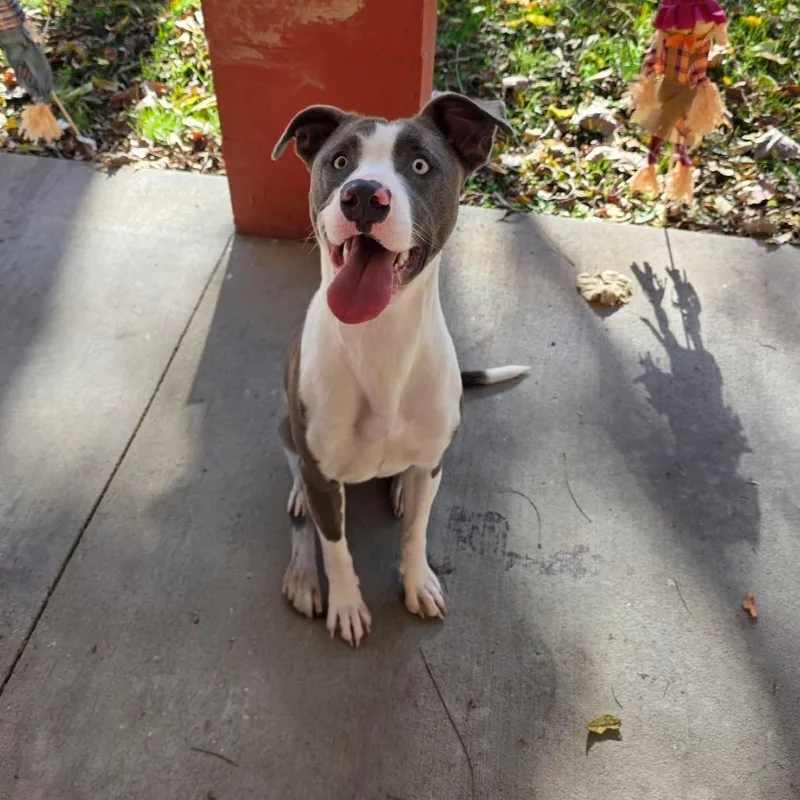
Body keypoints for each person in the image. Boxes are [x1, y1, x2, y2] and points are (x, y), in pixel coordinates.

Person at [0, 0, 54, 101]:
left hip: (5, 34)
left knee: (19, 63)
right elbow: (15, 9)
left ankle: (38, 95)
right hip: (15, 29)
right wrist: (31, 31)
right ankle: (42, 95)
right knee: (34, 61)